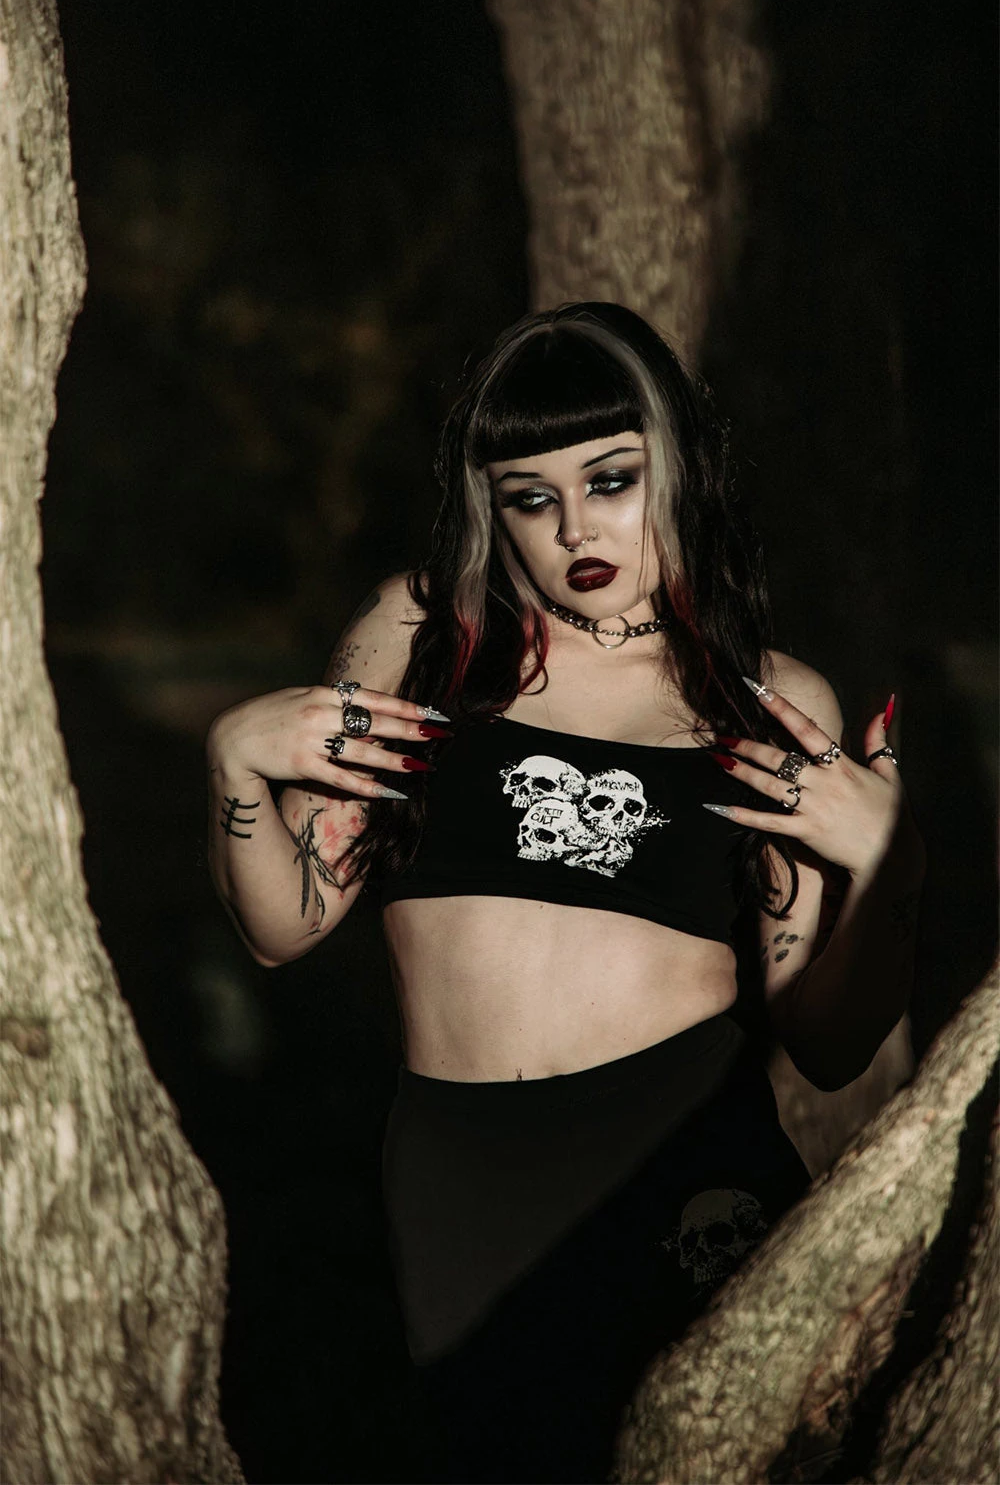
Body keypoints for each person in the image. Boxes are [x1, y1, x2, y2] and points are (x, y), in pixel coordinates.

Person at [206, 302, 925, 1483]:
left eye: (611, 479)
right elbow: (284, 925)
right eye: (530, 496)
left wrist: (887, 862)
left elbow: (830, 1040)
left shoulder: (765, 698)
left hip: (681, 1157)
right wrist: (236, 761)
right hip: (460, 1171)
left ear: (678, 468)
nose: (574, 527)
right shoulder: (422, 633)